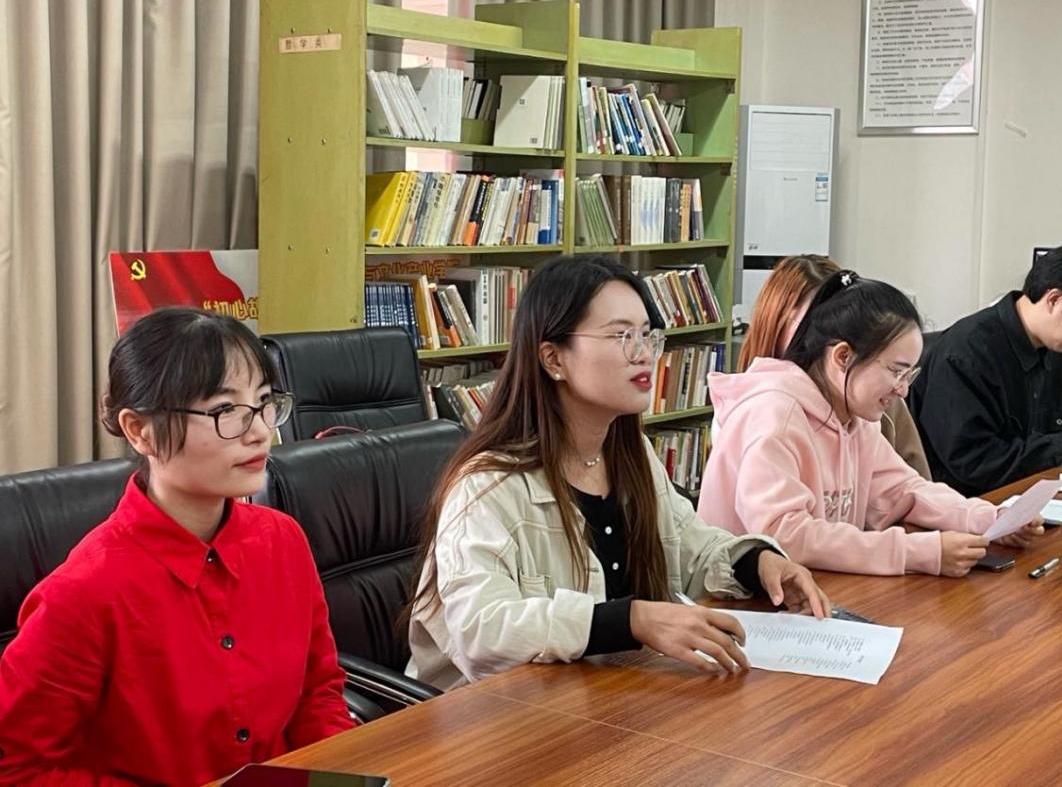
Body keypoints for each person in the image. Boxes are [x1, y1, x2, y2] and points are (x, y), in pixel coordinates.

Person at [406, 255, 831, 691]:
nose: (643, 354)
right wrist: (631, 619)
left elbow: (691, 547)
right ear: (553, 359)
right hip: (495, 714)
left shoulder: (630, 455)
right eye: (621, 336)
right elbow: (482, 630)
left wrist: (758, 562)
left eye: (647, 335)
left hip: (600, 696)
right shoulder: (486, 486)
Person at [0, 308, 353, 786]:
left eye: (264, 403)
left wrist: (338, 774)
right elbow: (17, 769)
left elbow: (318, 693)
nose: (260, 431)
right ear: (139, 430)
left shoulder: (282, 541)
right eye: (225, 410)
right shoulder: (83, 593)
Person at [699, 271, 1042, 577]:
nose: (903, 389)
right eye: (895, 371)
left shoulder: (856, 418)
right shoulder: (774, 415)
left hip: (808, 592)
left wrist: (988, 518)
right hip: (740, 603)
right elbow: (785, 536)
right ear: (843, 356)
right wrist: (912, 552)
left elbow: (904, 491)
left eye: (909, 374)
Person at [908, 242, 1062, 497]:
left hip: (1029, 493)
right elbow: (974, 461)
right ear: (1054, 300)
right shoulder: (966, 353)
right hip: (970, 503)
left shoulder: (1052, 346)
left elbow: (1048, 427)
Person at [738, 254, 931, 478]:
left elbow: (908, 485)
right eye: (811, 324)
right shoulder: (764, 412)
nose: (824, 335)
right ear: (775, 324)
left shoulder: (877, 404)